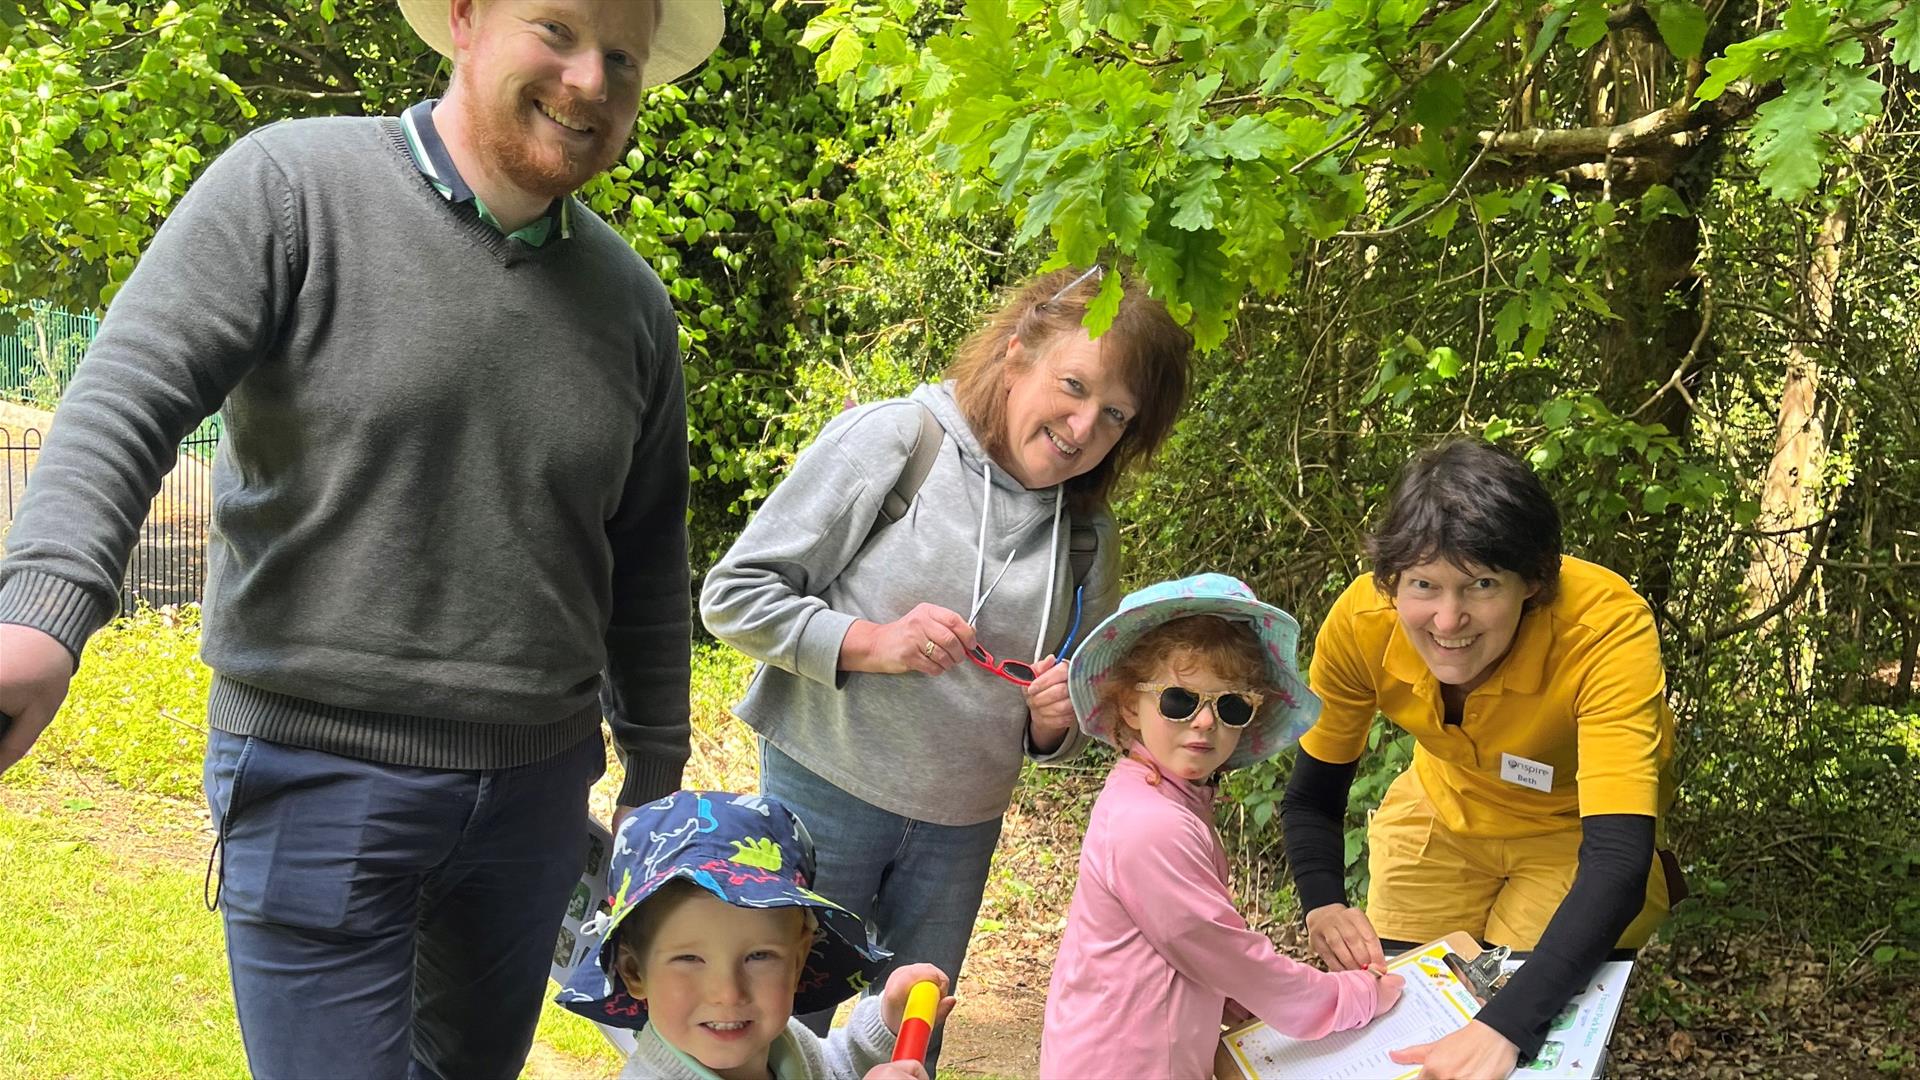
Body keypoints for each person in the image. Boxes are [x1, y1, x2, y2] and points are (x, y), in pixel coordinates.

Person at [0, 1, 723, 1075]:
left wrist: (656, 774)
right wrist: (42, 614)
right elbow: (127, 400)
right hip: (316, 776)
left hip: (535, 802)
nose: (591, 80)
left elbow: (647, 555)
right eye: (559, 32)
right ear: (466, 19)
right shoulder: (292, 189)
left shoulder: (631, 305)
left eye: (622, 57)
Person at [699, 264, 1193, 1070]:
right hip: (826, 797)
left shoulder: (1088, 538)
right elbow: (734, 595)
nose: (1081, 426)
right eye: (1072, 385)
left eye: (1114, 417)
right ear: (1015, 352)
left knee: (909, 1043)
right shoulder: (900, 441)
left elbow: (1080, 710)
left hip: (962, 832)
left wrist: (1053, 722)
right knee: (773, 1038)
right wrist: (868, 642)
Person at [1281, 440, 1678, 1077]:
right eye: (1423, 585)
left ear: (1536, 582)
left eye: (1482, 585)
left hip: (1570, 832)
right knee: (1396, 1012)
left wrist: (1506, 1026)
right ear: (1390, 583)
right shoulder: (1360, 623)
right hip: (1443, 807)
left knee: (1517, 1034)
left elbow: (1618, 857)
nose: (1447, 618)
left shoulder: (1604, 630)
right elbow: (1312, 797)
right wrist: (1323, 899)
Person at [1039, 573, 1405, 1079]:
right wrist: (1349, 996)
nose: (1205, 722)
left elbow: (1185, 951)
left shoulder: (1162, 797)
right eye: (1179, 700)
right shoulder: (1151, 824)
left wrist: (1225, 994)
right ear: (1130, 705)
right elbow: (1224, 951)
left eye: (1230, 705)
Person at [554, 790, 955, 1080]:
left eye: (759, 956)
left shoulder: (783, 1043)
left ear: (799, 958)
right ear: (633, 971)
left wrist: (885, 1024)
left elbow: (830, 1068)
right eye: (690, 959)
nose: (728, 994)